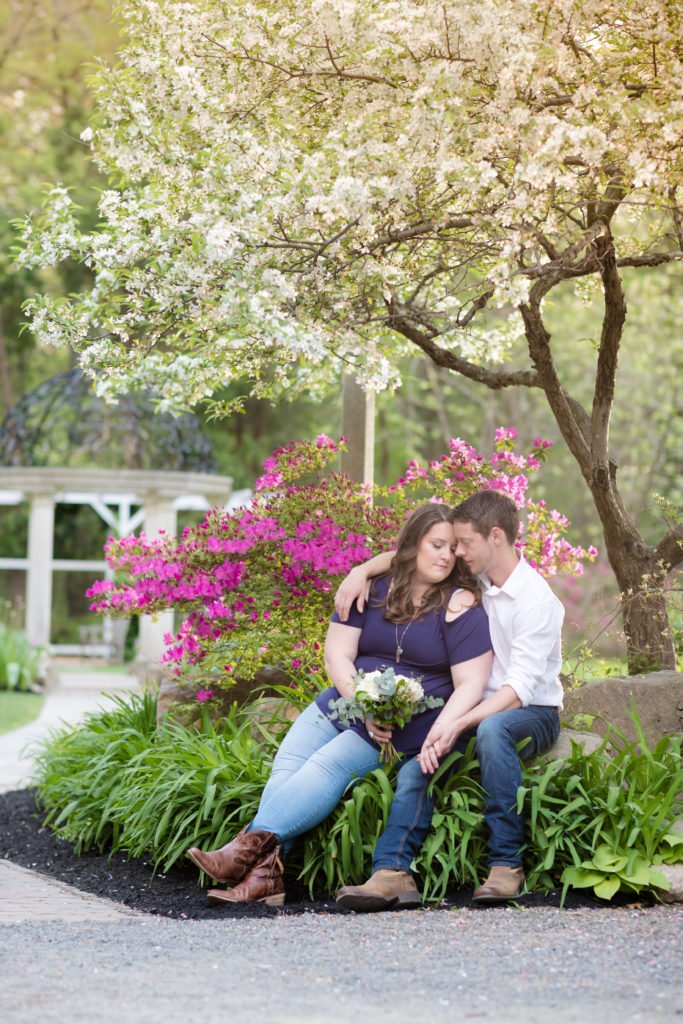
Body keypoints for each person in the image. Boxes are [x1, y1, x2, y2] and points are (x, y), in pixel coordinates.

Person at [186, 503, 493, 907]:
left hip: (399, 723)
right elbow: (337, 655)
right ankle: (266, 881)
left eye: (453, 548)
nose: (445, 555)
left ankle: (238, 853)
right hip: (347, 702)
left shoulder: (461, 605)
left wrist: (425, 724)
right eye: (436, 544)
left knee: (325, 766)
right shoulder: (371, 588)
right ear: (413, 544)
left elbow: (471, 683)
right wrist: (361, 702)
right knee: (288, 766)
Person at [334, 489, 564, 911]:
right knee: (417, 766)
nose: (456, 552)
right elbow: (405, 554)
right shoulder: (479, 576)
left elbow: (517, 691)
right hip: (476, 707)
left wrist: (455, 723)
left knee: (492, 729)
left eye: (464, 543)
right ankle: (393, 872)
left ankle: (506, 864)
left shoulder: (536, 601)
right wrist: (360, 571)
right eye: (454, 544)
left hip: (530, 712)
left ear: (496, 537)